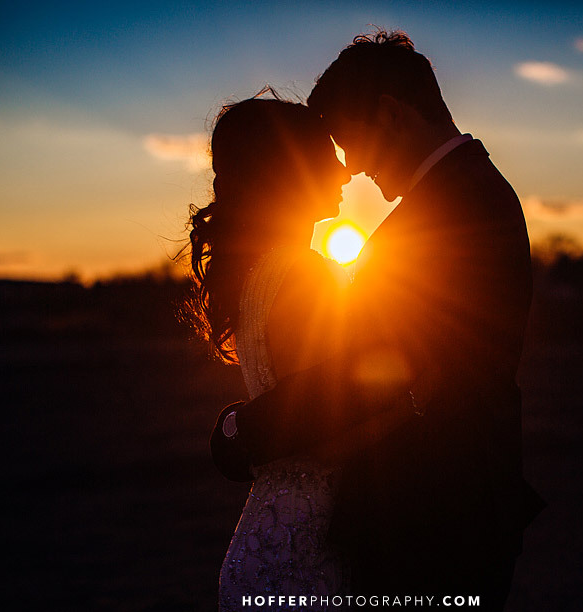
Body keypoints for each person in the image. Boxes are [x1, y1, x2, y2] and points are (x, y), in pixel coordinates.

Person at [212, 31, 544, 610]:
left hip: (443, 514)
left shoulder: (456, 210)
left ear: (391, 114)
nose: (354, 169)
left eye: (351, 143)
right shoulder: (451, 201)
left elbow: (372, 377)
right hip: (430, 513)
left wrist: (241, 431)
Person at [187, 94, 352, 610]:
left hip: (270, 530)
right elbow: (324, 410)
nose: (346, 173)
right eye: (328, 155)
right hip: (314, 546)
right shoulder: (304, 273)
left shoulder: (259, 273)